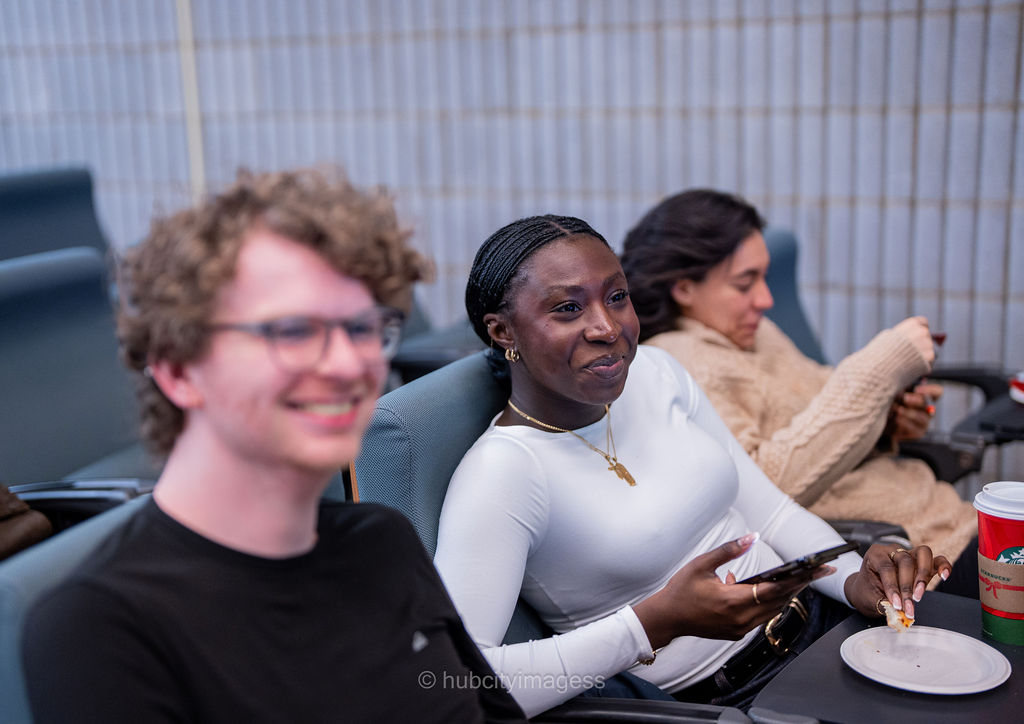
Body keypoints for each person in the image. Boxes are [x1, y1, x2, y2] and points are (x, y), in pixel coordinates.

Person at [21, 168, 526, 724]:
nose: (348, 365)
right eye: (293, 331)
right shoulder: (99, 627)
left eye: (363, 329)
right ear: (178, 370)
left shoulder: (381, 541)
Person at [434, 214, 952, 717]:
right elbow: (458, 682)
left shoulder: (656, 372)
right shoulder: (502, 473)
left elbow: (769, 513)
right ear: (503, 331)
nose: (608, 327)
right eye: (568, 308)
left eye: (617, 297)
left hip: (828, 624)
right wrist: (653, 624)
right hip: (735, 699)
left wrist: (853, 581)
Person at [619, 188, 977, 595]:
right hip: (919, 558)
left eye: (764, 277)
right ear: (683, 288)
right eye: (745, 283)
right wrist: (878, 372)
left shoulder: (755, 332)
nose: (766, 299)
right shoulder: (681, 363)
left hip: (950, 518)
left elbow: (824, 415)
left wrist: (887, 420)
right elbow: (761, 494)